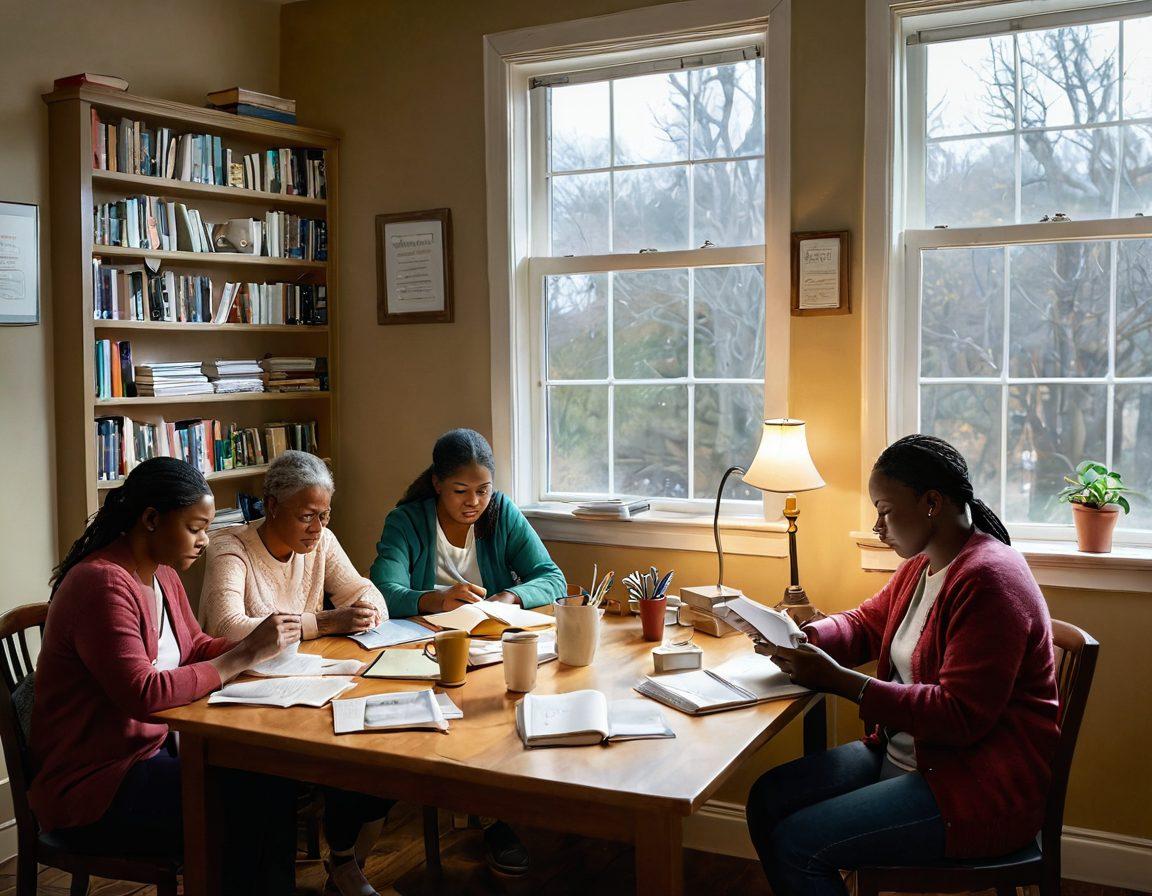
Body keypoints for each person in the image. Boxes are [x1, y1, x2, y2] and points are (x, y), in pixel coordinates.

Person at [744, 434, 1060, 896]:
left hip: (977, 787)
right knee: (767, 799)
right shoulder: (925, 564)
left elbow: (959, 715)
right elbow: (866, 625)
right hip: (913, 756)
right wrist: (801, 638)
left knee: (798, 844)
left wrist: (841, 682)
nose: (877, 526)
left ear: (931, 503)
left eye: (885, 510)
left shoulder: (989, 578)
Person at [30, 458, 301, 895]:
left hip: (153, 756)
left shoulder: (164, 576)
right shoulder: (101, 585)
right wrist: (241, 656)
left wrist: (260, 644)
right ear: (152, 519)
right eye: (195, 528)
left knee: (271, 782)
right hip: (95, 787)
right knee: (247, 800)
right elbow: (144, 692)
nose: (204, 541)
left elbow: (194, 648)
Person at [369, 428, 565, 876]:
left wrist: (509, 598)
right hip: (419, 646)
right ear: (437, 483)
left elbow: (551, 576)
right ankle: (478, 815)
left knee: (500, 715)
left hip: (488, 644)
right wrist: (435, 599)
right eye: (461, 491)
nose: (473, 502)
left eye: (483, 490)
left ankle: (494, 816)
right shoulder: (407, 521)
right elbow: (382, 589)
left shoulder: (501, 514)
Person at [200, 450, 393, 896]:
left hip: (304, 686)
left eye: (324, 515)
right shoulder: (231, 547)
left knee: (367, 749)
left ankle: (343, 859)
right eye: (307, 516)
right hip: (240, 700)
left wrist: (367, 607)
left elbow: (363, 590)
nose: (318, 527)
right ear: (271, 506)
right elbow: (227, 630)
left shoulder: (322, 543)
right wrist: (323, 622)